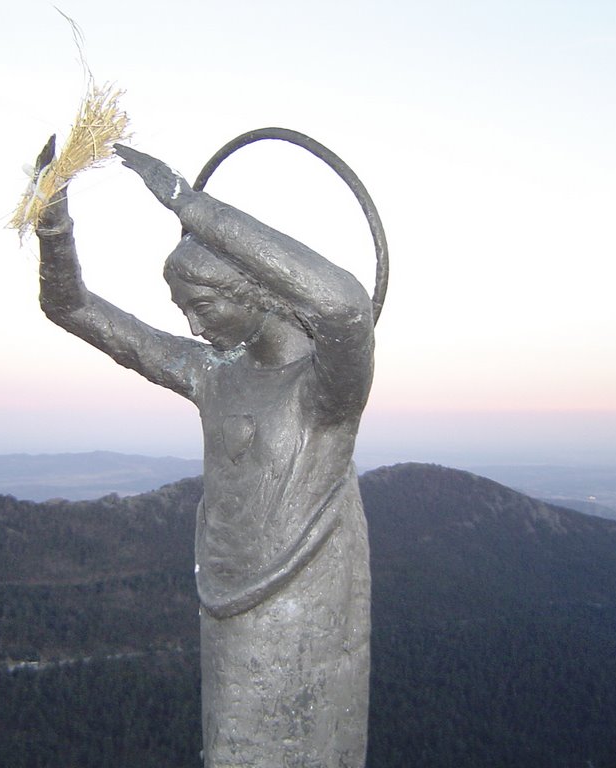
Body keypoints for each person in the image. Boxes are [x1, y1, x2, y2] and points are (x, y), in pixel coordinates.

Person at [36, 140, 374, 768]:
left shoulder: (326, 392)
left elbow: (343, 304)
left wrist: (187, 203)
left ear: (253, 290)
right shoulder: (210, 373)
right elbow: (70, 306)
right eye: (184, 311)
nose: (192, 326)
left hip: (305, 595)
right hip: (225, 593)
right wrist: (52, 223)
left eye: (204, 305)